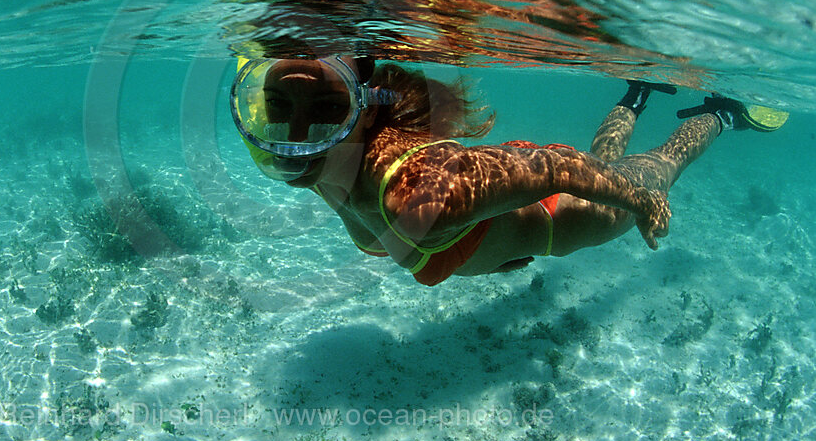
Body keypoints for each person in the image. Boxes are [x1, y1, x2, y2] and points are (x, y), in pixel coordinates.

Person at [230, 56, 787, 285]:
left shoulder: (419, 192)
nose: (295, 142)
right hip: (500, 189)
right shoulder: (296, 147)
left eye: (329, 111)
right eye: (277, 107)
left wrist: (641, 202)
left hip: (560, 211)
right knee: (608, 160)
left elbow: (562, 167)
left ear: (365, 106)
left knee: (656, 169)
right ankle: (636, 92)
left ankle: (721, 112)